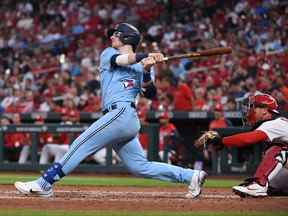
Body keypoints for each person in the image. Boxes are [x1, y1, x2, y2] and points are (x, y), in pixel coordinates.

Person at [14, 23, 206, 198]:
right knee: (140, 167)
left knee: (81, 143)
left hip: (124, 114)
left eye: (115, 34)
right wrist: (144, 57)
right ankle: (191, 176)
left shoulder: (144, 65)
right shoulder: (108, 54)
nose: (111, 37)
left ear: (127, 37)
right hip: (117, 117)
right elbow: (122, 60)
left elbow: (151, 94)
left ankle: (44, 183)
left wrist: (147, 69)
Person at [195, 93, 288, 197]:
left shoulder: (276, 123)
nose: (250, 111)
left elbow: (248, 139)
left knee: (279, 149)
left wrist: (221, 141)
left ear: (264, 110)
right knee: (272, 187)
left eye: (253, 107)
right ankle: (260, 185)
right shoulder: (273, 123)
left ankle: (259, 185)